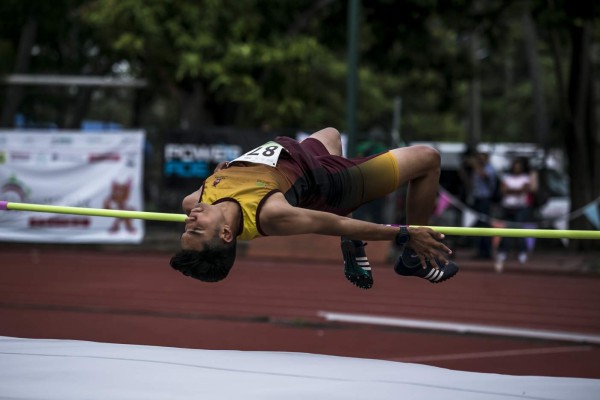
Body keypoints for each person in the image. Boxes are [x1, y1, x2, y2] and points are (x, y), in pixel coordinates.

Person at [170, 127, 458, 288]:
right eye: (197, 229)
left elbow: (218, 182)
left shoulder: (195, 201)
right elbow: (336, 224)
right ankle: (414, 257)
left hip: (301, 157)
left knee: (331, 134)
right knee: (428, 158)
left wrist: (226, 172)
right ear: (226, 234)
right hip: (334, 186)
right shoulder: (270, 214)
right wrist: (404, 233)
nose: (192, 219)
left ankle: (353, 247)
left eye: (187, 226)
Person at [494, 158, 533, 273]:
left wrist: (511, 190)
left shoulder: (525, 178)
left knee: (520, 231)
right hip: (508, 207)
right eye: (515, 166)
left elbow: (525, 190)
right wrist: (517, 190)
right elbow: (503, 191)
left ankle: (522, 253)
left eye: (519, 166)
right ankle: (503, 253)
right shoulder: (507, 177)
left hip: (520, 208)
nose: (517, 169)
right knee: (506, 231)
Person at [468, 151, 498, 259]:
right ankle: (480, 251)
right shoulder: (476, 170)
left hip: (485, 199)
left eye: (482, 158)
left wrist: (475, 165)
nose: (479, 160)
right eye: (478, 158)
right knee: (478, 225)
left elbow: (485, 177)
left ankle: (486, 252)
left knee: (485, 225)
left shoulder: (489, 168)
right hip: (476, 199)